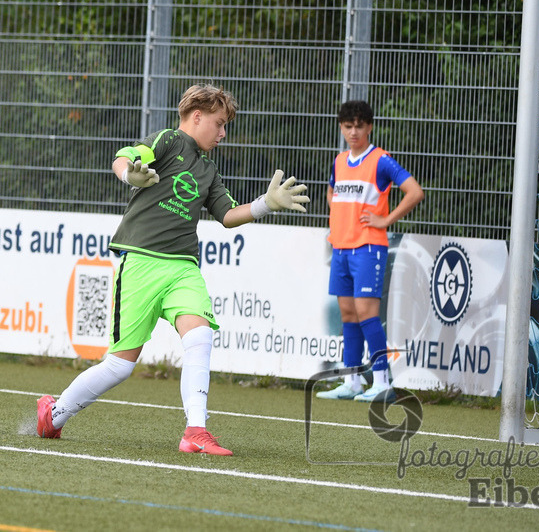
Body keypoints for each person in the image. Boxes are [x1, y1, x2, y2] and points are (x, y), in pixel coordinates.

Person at [36, 83, 309, 455]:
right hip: (141, 263)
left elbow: (228, 215)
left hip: (183, 268)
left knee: (200, 337)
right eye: (219, 123)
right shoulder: (168, 140)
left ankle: (196, 430)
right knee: (119, 366)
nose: (223, 133)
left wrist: (266, 204)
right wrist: (129, 175)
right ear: (197, 116)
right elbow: (125, 156)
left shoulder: (208, 170)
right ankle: (54, 414)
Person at [316, 99, 424, 403]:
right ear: (341, 127)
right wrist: (340, 216)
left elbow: (414, 192)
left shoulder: (381, 160)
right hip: (341, 248)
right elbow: (332, 190)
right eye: (348, 126)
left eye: (359, 126)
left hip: (368, 248)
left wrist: (385, 220)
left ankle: (382, 382)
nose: (353, 132)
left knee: (367, 314)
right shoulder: (339, 161)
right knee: (348, 315)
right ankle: (352, 381)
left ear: (369, 127)